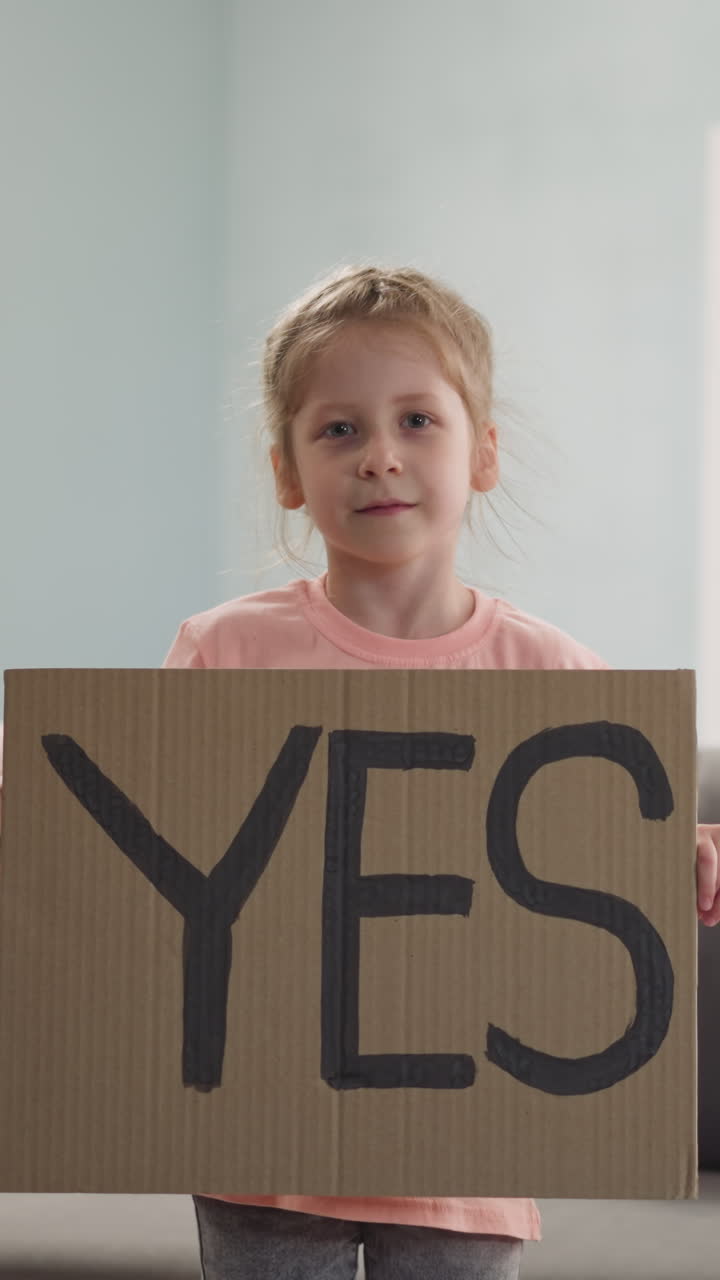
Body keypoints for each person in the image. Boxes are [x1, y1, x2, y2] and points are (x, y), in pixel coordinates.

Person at [0, 263, 717, 1279]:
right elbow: (136, 882)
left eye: (418, 420)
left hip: (466, 1166)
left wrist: (675, 851)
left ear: (484, 453)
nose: (380, 455)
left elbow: (610, 875)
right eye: (339, 429)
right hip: (260, 1159)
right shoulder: (222, 652)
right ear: (289, 471)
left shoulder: (554, 675)